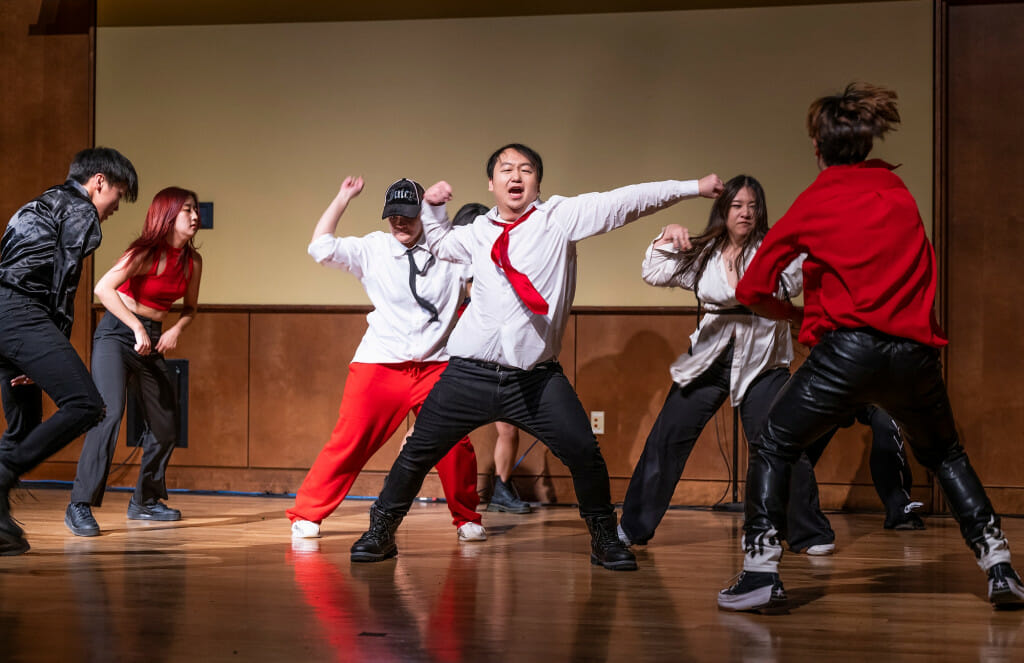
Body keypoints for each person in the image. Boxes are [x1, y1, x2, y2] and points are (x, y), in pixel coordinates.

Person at [717, 82, 1024, 611]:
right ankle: (999, 566)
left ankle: (761, 573)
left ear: (818, 147)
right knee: (946, 453)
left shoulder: (818, 198)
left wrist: (794, 313)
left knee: (773, 444)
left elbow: (750, 289)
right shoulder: (898, 193)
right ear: (866, 141)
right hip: (914, 356)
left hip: (847, 354)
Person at [349, 142, 723, 570]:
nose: (516, 176)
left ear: (537, 182)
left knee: (584, 453)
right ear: (491, 184)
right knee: (417, 451)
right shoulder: (477, 233)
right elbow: (439, 244)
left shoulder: (559, 218)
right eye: (506, 169)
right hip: (468, 374)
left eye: (525, 169)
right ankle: (381, 531)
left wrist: (692, 187)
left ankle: (604, 538)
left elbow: (626, 201)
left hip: (534, 379)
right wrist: (432, 209)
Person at [618, 175, 835, 554]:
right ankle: (632, 527)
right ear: (724, 209)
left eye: (752, 206)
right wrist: (666, 235)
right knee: (666, 440)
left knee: (780, 442)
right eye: (737, 205)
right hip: (709, 359)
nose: (745, 213)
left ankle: (808, 532)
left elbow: (798, 279)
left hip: (762, 361)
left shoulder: (774, 249)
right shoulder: (704, 251)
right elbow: (653, 272)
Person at [286, 177, 485, 543]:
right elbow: (319, 247)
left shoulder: (448, 248)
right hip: (380, 363)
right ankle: (308, 511)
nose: (400, 223)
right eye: (393, 216)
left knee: (455, 443)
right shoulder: (373, 248)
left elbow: (480, 280)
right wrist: (343, 197)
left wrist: (439, 208)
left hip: (436, 365)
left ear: (421, 214)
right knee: (350, 438)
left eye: (408, 215)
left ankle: (467, 517)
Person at [0, 146, 138, 555]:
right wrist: (51, 342)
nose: (115, 207)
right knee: (87, 405)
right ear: (98, 182)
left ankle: (0, 527)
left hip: (6, 316)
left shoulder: (37, 204)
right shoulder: (81, 212)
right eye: (118, 195)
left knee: (24, 424)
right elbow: (64, 280)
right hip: (23, 314)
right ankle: (4, 471)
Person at [65, 187, 203, 536]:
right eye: (187, 209)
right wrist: (137, 326)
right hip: (116, 332)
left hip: (152, 337)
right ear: (168, 214)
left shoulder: (192, 261)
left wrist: (174, 331)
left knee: (167, 422)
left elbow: (190, 308)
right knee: (108, 414)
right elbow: (103, 289)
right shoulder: (145, 252)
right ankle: (79, 505)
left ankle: (144, 501)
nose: (195, 216)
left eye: (196, 210)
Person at [452, 202, 532, 515]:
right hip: (458, 354)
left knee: (508, 427)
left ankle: (501, 488)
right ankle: (405, 480)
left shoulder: (501, 261)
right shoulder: (451, 265)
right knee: (432, 427)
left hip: (498, 355)